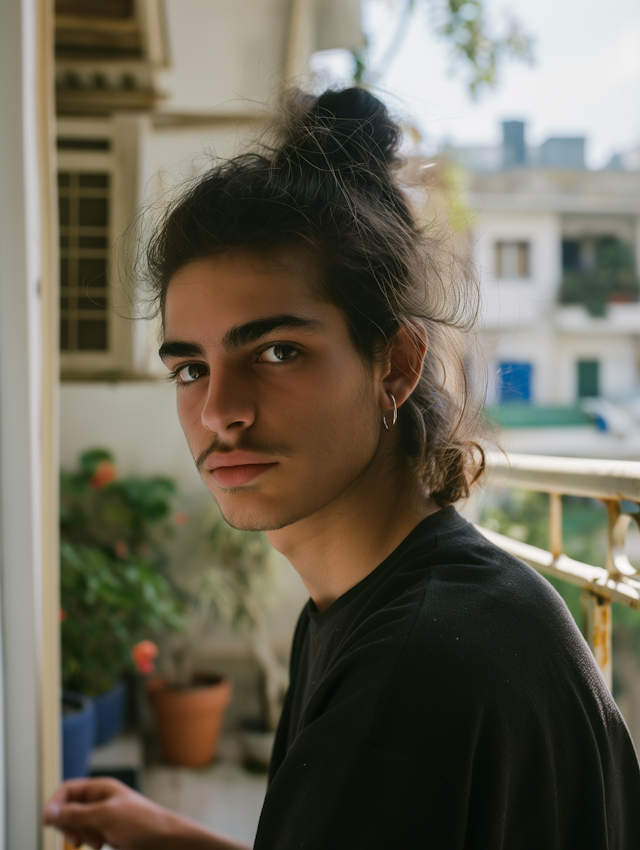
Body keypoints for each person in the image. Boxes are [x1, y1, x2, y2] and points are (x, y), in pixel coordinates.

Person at [45, 87, 640, 850]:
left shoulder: (410, 673)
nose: (219, 411)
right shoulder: (401, 601)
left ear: (395, 364)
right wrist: (166, 835)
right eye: (191, 369)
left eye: (277, 352)